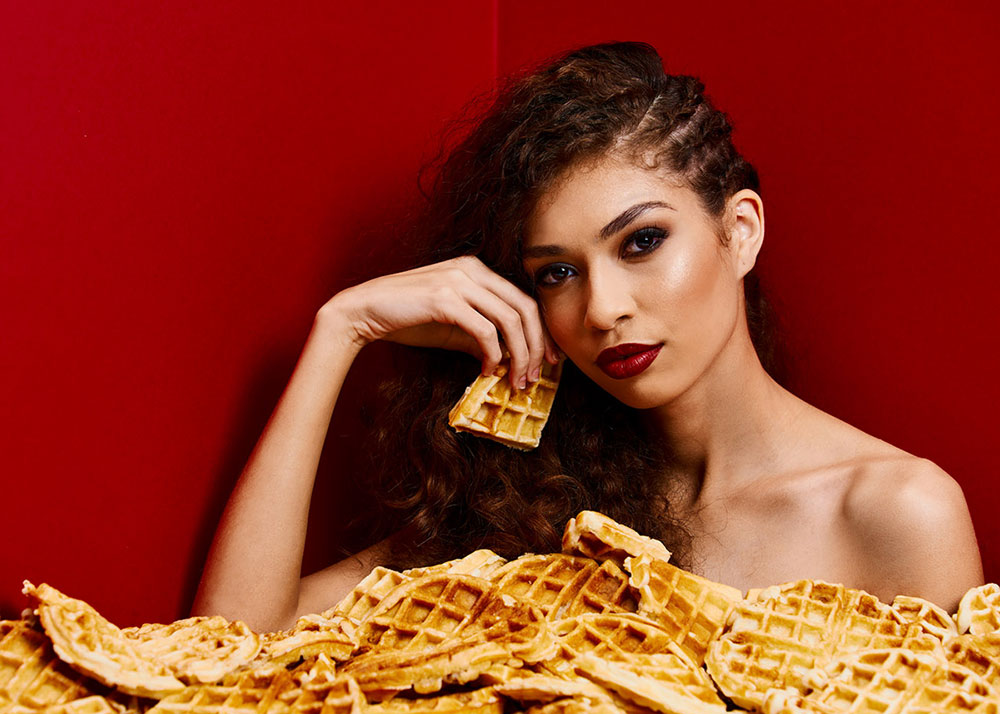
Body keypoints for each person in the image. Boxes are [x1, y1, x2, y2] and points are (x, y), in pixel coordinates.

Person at [192, 42, 983, 633]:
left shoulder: (899, 512)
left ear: (739, 231)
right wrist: (342, 329)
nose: (602, 310)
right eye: (556, 273)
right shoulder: (536, 502)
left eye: (640, 243)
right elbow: (225, 646)